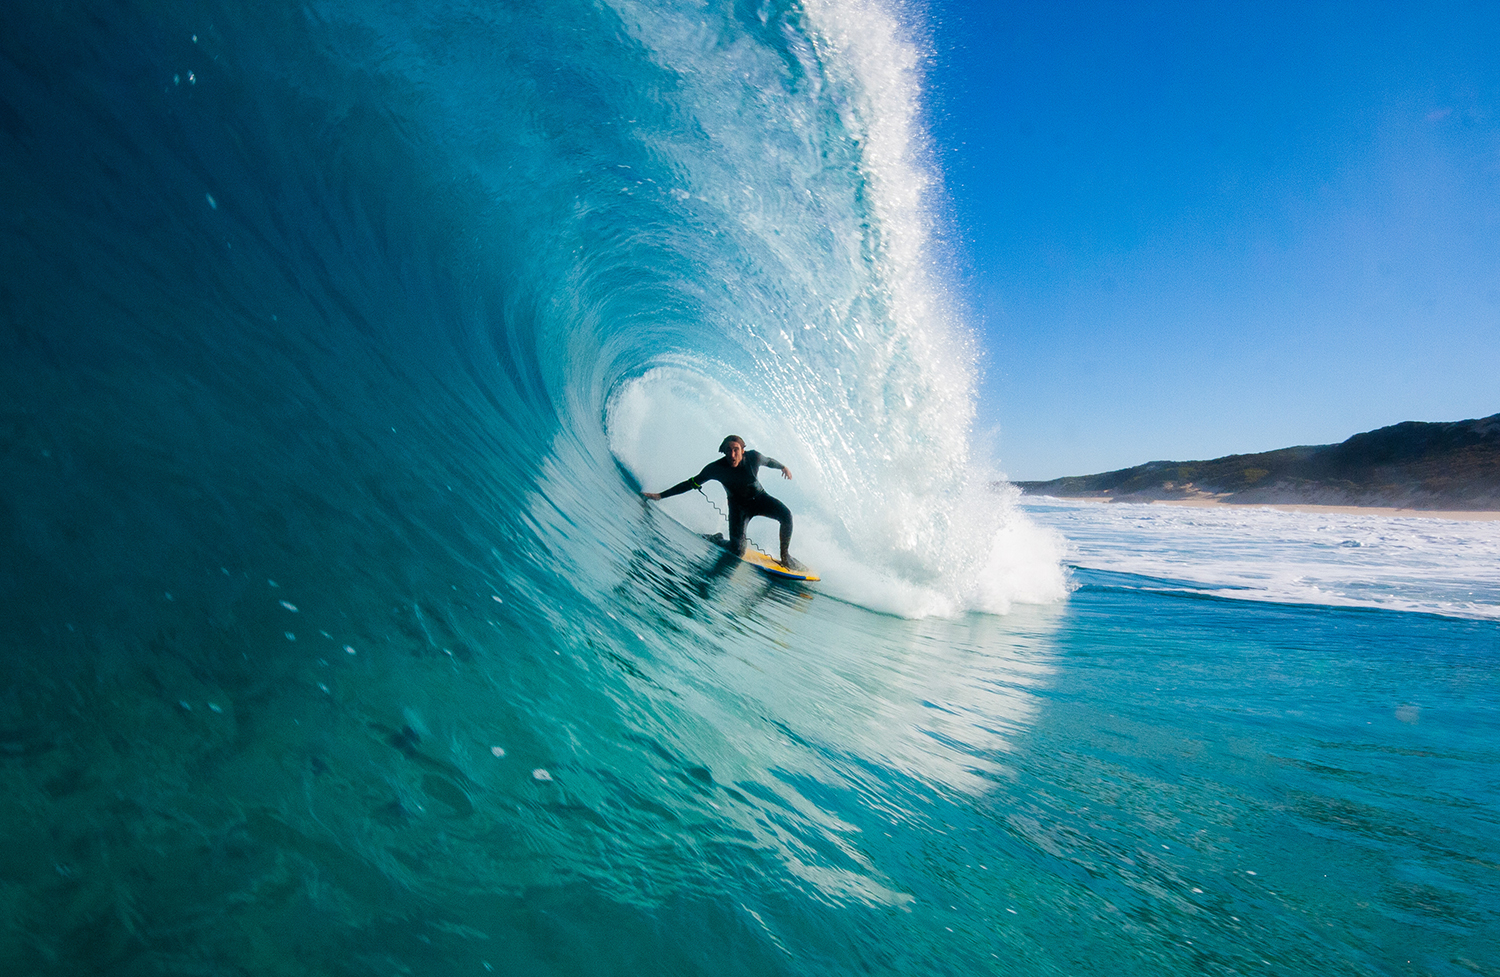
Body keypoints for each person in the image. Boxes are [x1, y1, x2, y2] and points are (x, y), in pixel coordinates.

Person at [644, 435, 797, 567]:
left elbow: (769, 461)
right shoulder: (715, 469)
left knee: (786, 516)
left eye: (736, 449)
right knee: (737, 551)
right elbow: (690, 483)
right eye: (728, 450)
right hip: (738, 508)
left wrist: (783, 467)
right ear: (723, 452)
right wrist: (660, 496)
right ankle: (717, 539)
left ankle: (785, 556)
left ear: (743, 450)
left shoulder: (754, 457)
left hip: (760, 499)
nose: (732, 454)